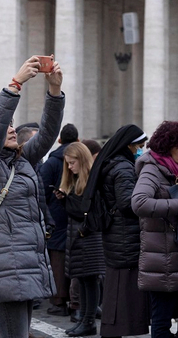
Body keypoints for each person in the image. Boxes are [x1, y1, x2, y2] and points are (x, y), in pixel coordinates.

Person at [0, 55, 63, 338]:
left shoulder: (20, 160)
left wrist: (54, 91)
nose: (12, 128)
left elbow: (47, 134)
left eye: (13, 125)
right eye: (6, 125)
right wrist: (15, 84)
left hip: (27, 261)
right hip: (4, 264)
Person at [132, 121, 178, 338]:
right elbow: (138, 203)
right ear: (168, 146)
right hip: (161, 260)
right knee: (162, 322)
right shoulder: (151, 169)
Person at [80, 124, 149, 338]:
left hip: (117, 234)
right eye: (139, 146)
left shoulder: (113, 164)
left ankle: (114, 330)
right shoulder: (124, 168)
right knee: (120, 288)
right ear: (128, 145)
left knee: (116, 287)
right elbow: (128, 203)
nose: (141, 150)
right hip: (124, 235)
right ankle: (113, 331)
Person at [54, 142, 105, 337]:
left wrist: (66, 201)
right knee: (83, 280)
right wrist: (64, 199)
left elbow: (85, 212)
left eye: (72, 163)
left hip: (89, 237)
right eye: (67, 163)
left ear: (82, 161)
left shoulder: (93, 180)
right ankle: (84, 319)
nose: (69, 167)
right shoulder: (75, 181)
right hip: (78, 236)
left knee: (89, 280)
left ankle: (88, 320)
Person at [39, 123, 80, 318]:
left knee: (57, 258)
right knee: (74, 257)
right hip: (76, 214)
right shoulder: (79, 159)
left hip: (56, 215)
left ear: (59, 140)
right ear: (78, 140)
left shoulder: (52, 162)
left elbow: (42, 190)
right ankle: (75, 300)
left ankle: (58, 301)